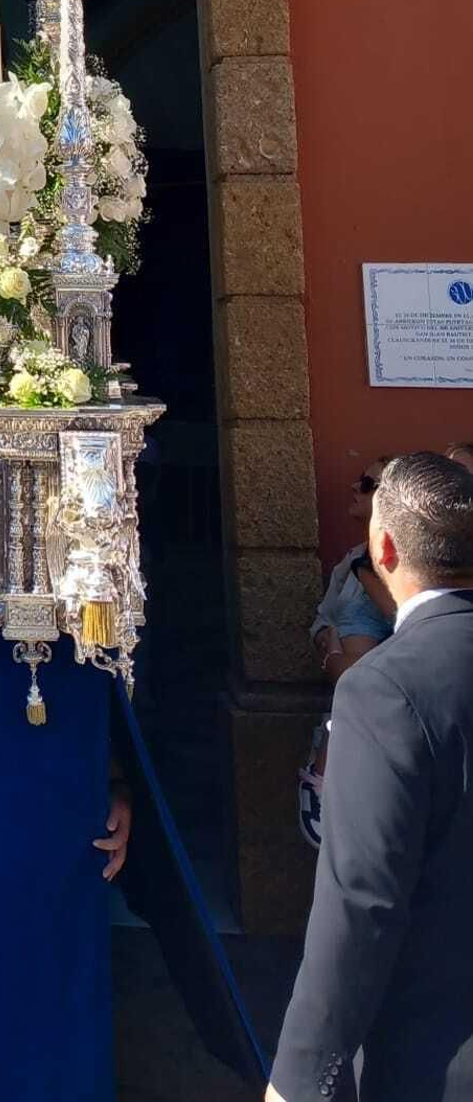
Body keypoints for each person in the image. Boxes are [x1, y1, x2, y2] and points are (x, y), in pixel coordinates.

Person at [268, 452, 473, 1102]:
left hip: (437, 1056)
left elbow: (362, 902)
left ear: (383, 547)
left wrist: (300, 1079)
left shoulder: (383, 688)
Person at [298, 459, 394, 847]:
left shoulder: (403, 566)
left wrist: (337, 659)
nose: (355, 487)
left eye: (367, 483)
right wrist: (327, 641)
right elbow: (323, 618)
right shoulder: (351, 560)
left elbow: (411, 625)